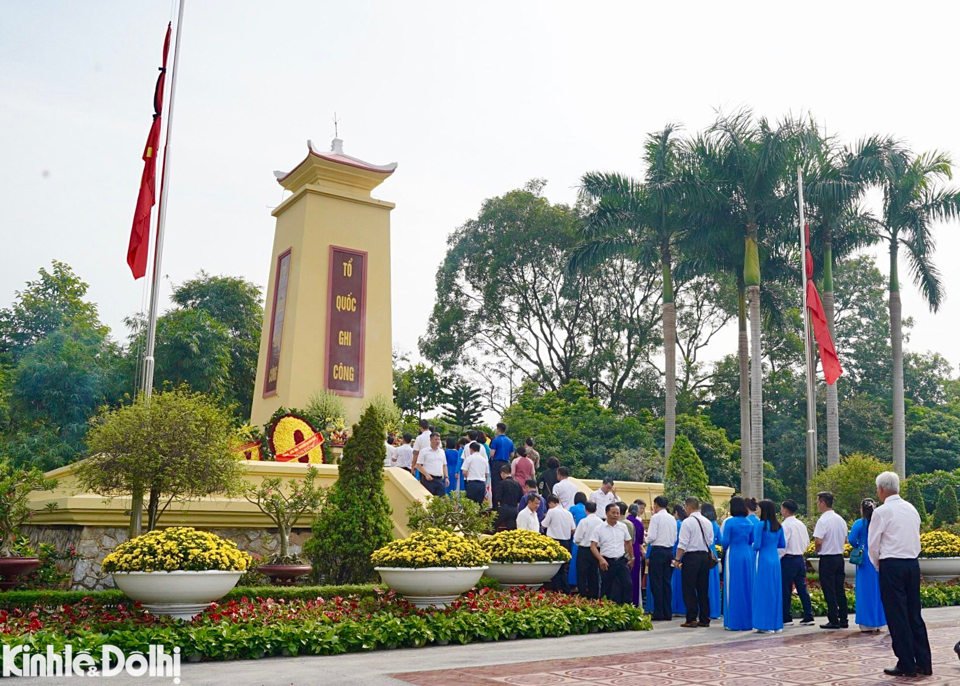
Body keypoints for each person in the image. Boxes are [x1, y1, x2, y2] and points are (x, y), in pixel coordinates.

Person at [869, 471, 931, 678]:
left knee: (897, 616)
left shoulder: (881, 512)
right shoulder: (911, 509)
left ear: (881, 489)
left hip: (892, 565)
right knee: (914, 614)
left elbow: (873, 545)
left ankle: (906, 663)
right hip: (912, 565)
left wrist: (879, 565)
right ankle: (923, 662)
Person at [676, 497, 714, 628]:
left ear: (688, 507)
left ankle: (691, 618)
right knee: (703, 589)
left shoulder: (687, 522)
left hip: (691, 557)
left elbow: (683, 543)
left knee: (689, 588)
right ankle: (704, 618)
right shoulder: (707, 522)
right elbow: (710, 541)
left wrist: (677, 559)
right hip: (704, 557)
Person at [849, 498, 886, 633]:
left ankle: (866, 623)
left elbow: (852, 539)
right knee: (878, 590)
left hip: (864, 558)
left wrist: (859, 545)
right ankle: (879, 621)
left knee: (864, 590)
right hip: (878, 556)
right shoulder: (878, 523)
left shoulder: (860, 523)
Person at [814, 491, 850, 629]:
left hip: (827, 557)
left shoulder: (823, 520)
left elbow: (818, 541)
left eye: (818, 502)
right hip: (838, 557)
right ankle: (844, 618)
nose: (818, 505)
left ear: (823, 503)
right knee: (839, 588)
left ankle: (833, 619)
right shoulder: (840, 519)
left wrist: (818, 550)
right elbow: (845, 539)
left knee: (829, 589)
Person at [751, 499, 786, 633]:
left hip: (764, 559)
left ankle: (765, 624)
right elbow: (782, 544)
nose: (757, 511)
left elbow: (757, 545)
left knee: (762, 591)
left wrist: (752, 546)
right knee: (775, 590)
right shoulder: (778, 525)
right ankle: (776, 624)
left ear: (764, 510)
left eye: (759, 509)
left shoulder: (760, 525)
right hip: (775, 559)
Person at [721, 496, 754, 631]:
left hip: (734, 554)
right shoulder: (750, 523)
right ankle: (747, 620)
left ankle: (733, 621)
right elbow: (752, 540)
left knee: (733, 586)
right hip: (747, 554)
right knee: (747, 585)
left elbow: (725, 542)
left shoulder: (730, 522)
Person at [780, 499, 815, 627]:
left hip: (788, 559)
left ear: (785, 510)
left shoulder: (785, 526)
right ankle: (808, 615)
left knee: (786, 588)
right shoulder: (801, 524)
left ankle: (786, 617)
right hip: (800, 558)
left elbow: (783, 545)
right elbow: (806, 542)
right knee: (802, 588)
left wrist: (778, 557)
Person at [590, 503, 633, 604]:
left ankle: (626, 609)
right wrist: (600, 559)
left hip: (621, 560)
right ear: (606, 513)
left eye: (617, 513)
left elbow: (628, 543)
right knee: (606, 587)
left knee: (627, 584)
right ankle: (605, 609)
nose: (616, 515)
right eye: (613, 513)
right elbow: (593, 546)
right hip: (607, 562)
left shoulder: (623, 527)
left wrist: (632, 558)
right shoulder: (599, 528)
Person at [645, 495, 676, 621]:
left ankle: (658, 612)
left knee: (656, 582)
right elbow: (674, 538)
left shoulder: (656, 517)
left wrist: (645, 539)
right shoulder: (672, 518)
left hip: (657, 551)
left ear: (656, 505)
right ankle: (667, 612)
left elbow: (652, 536)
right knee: (666, 583)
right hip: (669, 552)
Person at [542, 495, 576, 593]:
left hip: (554, 542)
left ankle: (556, 590)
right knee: (563, 568)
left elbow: (544, 525)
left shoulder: (551, 511)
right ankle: (565, 590)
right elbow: (573, 529)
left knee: (554, 567)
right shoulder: (568, 513)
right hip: (566, 542)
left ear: (550, 503)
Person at [574, 501, 604, 598]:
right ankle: (594, 596)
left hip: (584, 550)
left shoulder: (583, 521)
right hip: (597, 550)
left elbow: (577, 538)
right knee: (594, 574)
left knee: (582, 574)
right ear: (596, 509)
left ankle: (582, 595)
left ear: (585, 509)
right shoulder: (600, 522)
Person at [701, 502, 722, 620]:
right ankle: (715, 611)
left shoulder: (703, 523)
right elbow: (721, 540)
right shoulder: (715, 525)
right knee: (714, 584)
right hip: (712, 553)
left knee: (702, 583)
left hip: (703, 551)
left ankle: (704, 610)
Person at [415, 433, 449, 497]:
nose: (438, 441)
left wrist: (446, 477)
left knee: (441, 498)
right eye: (436, 439)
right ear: (431, 440)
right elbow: (418, 465)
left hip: (439, 478)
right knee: (428, 498)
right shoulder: (424, 451)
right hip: (428, 479)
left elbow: (444, 465)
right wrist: (426, 474)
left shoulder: (442, 452)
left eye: (439, 440)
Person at [493, 464, 522, 529]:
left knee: (492, 527)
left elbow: (497, 497)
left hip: (504, 509)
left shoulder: (502, 483)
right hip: (514, 509)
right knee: (512, 529)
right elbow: (520, 498)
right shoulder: (517, 484)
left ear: (503, 473)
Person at [568, 491, 588, 589]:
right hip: (587, 537)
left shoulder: (572, 509)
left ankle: (572, 581)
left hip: (575, 536)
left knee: (574, 559)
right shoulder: (587, 509)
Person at [460, 442, 490, 506]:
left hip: (472, 483)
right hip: (482, 484)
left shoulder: (469, 458)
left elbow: (464, 472)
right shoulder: (484, 460)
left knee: (470, 504)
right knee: (479, 504)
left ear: (471, 449)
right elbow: (486, 474)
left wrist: (469, 477)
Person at [626, 503, 644, 607]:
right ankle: (635, 602)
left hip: (623, 550)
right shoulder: (638, 523)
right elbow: (641, 540)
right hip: (635, 549)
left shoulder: (622, 522)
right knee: (635, 578)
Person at [670, 504, 687, 617]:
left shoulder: (676, 524)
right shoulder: (685, 523)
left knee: (675, 582)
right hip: (685, 553)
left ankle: (675, 607)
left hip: (676, 552)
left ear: (676, 513)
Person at [489, 422, 515, 493]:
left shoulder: (495, 440)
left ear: (498, 430)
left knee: (496, 485)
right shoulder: (510, 441)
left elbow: (492, 454)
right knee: (506, 483)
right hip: (506, 463)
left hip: (497, 463)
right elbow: (512, 455)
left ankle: (496, 502)